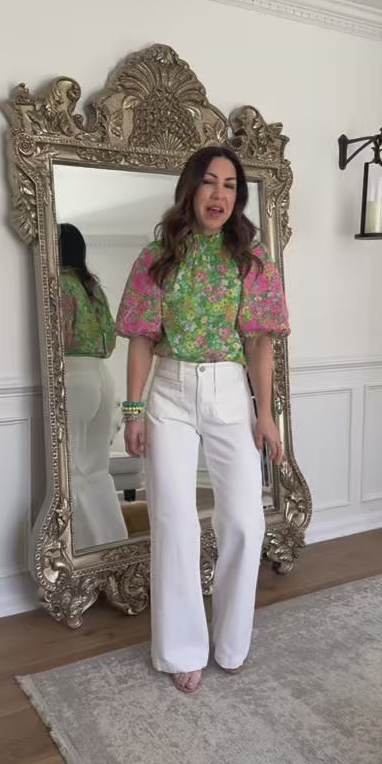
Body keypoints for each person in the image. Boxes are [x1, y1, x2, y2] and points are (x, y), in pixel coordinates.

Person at [116, 146, 289, 694]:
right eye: (210, 183)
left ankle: (232, 641)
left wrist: (266, 416)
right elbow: (142, 340)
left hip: (228, 391)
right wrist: (134, 410)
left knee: (243, 520)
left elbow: (261, 342)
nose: (220, 195)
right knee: (174, 520)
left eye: (231, 185)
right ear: (190, 188)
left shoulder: (252, 260)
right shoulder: (155, 257)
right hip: (167, 389)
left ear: (238, 197)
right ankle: (181, 649)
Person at [59, 223, 128, 549]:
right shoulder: (93, 287)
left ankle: (81, 548)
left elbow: (63, 337)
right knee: (98, 468)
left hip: (74, 374)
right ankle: (113, 541)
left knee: (70, 467)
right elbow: (111, 340)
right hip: (103, 374)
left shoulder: (61, 285)